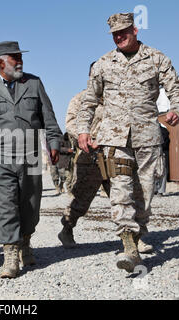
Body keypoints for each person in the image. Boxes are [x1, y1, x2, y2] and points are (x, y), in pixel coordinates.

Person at [77, 13, 179, 273]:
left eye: (124, 32)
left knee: (145, 193)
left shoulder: (157, 59)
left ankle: (138, 237)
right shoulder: (103, 64)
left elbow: (178, 91)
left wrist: (176, 110)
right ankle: (129, 246)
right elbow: (89, 102)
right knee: (121, 191)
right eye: (115, 34)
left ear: (135, 30)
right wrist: (83, 130)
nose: (119, 37)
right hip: (113, 139)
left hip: (147, 138)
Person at [0, 41, 62, 278]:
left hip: (30, 156)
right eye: (15, 58)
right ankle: (10, 252)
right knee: (5, 206)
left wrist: (54, 143)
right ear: (0, 62)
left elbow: (48, 117)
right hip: (0, 157)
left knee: (30, 205)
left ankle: (25, 241)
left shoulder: (34, 83)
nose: (20, 61)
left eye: (20, 56)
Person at [59, 87, 153, 254]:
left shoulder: (118, 98)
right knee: (81, 200)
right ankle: (67, 229)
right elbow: (71, 123)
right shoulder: (80, 99)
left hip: (115, 155)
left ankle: (133, 238)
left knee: (126, 197)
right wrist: (87, 138)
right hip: (90, 158)